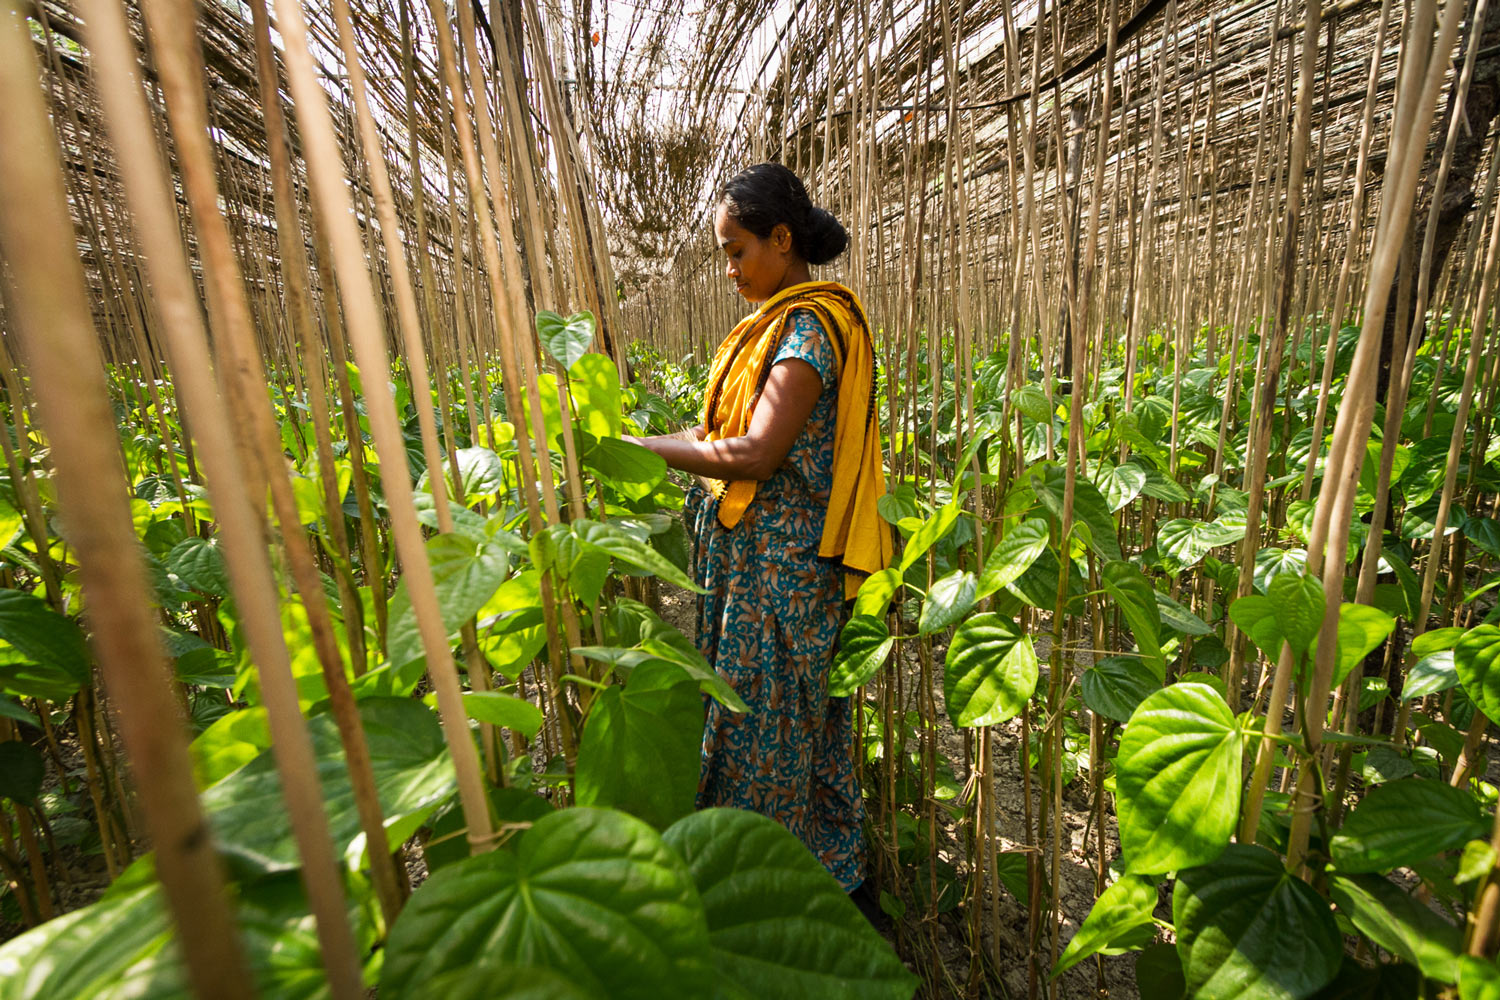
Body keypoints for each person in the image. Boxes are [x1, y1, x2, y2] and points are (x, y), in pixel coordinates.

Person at [626, 163, 893, 903]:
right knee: (768, 726)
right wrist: (637, 441)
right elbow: (719, 433)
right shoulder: (772, 327)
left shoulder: (809, 328)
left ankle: (781, 899)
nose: (732, 270)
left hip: (784, 578)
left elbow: (756, 453)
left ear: (782, 239)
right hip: (751, 574)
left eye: (739, 251)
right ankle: (800, 887)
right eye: (725, 256)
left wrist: (649, 452)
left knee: (769, 735)